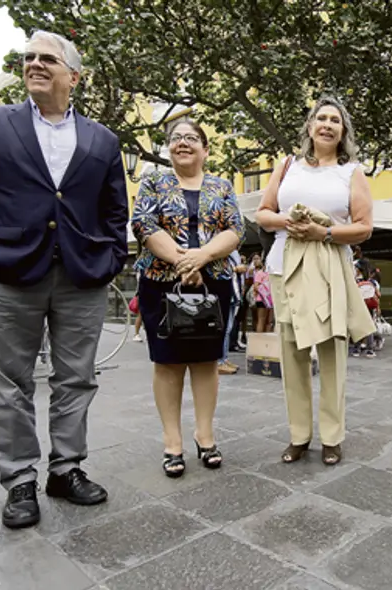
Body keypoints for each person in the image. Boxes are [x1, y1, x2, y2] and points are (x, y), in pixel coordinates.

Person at [0, 31, 128, 529]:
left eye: (48, 59)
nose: (35, 65)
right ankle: (19, 480)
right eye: (29, 58)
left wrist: (111, 257)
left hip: (82, 275)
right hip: (7, 274)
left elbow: (115, 211)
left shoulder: (103, 140)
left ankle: (66, 469)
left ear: (74, 76)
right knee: (11, 383)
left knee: (77, 380)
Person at [255, 96, 375, 466]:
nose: (326, 124)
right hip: (285, 267)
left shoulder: (351, 172)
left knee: (332, 354)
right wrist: (289, 223)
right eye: (320, 118)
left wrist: (322, 232)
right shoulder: (287, 165)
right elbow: (263, 213)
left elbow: (364, 228)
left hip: (329, 270)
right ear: (309, 126)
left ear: (342, 132)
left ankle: (332, 437)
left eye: (334, 120)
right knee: (292, 355)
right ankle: (299, 436)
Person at [131, 119, 244, 477]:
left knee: (206, 360)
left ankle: (205, 434)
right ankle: (172, 441)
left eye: (192, 138)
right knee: (167, 362)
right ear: (168, 147)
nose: (183, 143)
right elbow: (144, 225)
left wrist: (203, 257)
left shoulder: (221, 185)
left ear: (205, 149)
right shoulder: (152, 180)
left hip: (213, 281)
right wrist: (183, 261)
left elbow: (235, 228)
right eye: (176, 138)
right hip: (161, 282)